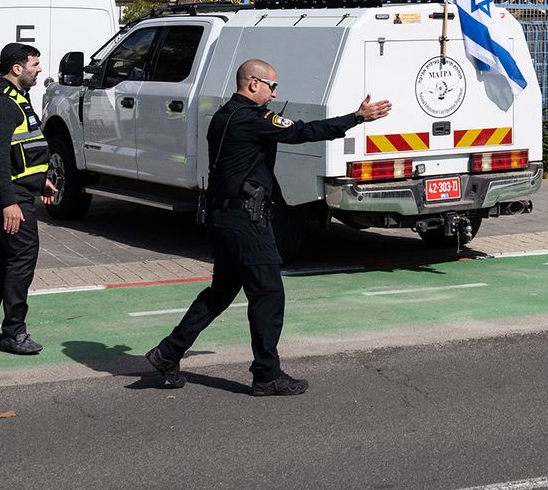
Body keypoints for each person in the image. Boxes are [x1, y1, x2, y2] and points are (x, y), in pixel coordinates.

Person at [145, 59, 391, 394]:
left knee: (220, 292)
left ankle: (169, 351)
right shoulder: (252, 119)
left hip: (222, 217)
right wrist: (357, 117)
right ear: (253, 84)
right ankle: (267, 375)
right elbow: (303, 132)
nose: (275, 93)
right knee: (268, 294)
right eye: (272, 86)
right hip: (245, 221)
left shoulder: (222, 116)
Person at [0, 43, 57, 354]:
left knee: (0, 258)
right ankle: (14, 331)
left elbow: (21, 147)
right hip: (6, 194)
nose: (39, 69)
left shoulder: (17, 98)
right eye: (34, 64)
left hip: (14, 189)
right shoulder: (1, 104)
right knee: (21, 258)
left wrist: (39, 179)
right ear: (16, 69)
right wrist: (9, 203)